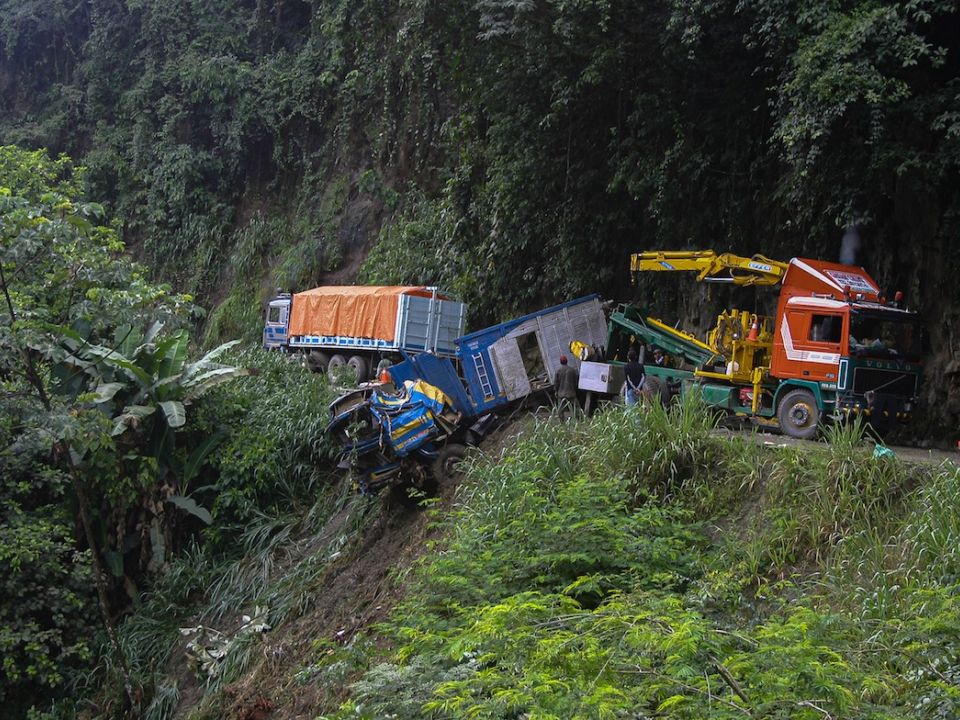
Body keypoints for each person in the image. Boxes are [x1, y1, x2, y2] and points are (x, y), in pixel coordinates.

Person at [554, 354, 580, 420]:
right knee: (576, 407)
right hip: (571, 393)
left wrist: (556, 391)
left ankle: (562, 421)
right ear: (567, 361)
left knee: (560, 409)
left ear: (560, 362)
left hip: (561, 394)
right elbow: (576, 382)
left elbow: (556, 383)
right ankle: (579, 419)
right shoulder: (572, 370)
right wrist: (575, 389)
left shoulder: (558, 371)